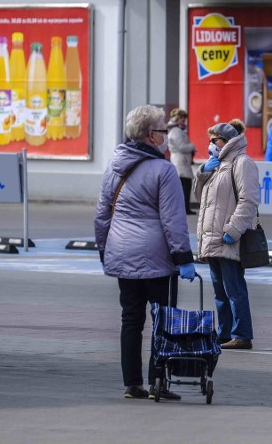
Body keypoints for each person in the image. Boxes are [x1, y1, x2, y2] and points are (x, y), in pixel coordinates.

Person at [94, 104, 196, 401]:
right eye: (163, 130)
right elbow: (174, 220)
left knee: (131, 319)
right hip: (157, 259)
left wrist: (105, 250)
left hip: (121, 254)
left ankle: (132, 383)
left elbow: (102, 214)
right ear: (152, 136)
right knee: (163, 319)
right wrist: (183, 258)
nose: (166, 135)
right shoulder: (164, 170)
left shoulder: (114, 165)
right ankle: (159, 381)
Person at [194, 123, 260, 350]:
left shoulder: (242, 163)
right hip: (211, 238)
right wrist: (202, 173)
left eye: (215, 140)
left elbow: (248, 201)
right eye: (210, 140)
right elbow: (199, 199)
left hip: (227, 237)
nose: (211, 144)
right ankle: (224, 333)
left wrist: (233, 230)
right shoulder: (217, 165)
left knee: (234, 288)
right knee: (220, 291)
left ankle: (242, 334)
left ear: (227, 141)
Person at [166, 108, 197, 215]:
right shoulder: (176, 131)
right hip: (180, 162)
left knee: (184, 185)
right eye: (182, 119)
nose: (184, 122)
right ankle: (185, 208)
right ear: (177, 119)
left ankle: (185, 208)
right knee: (185, 186)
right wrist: (192, 146)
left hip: (179, 161)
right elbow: (182, 147)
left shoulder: (174, 130)